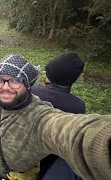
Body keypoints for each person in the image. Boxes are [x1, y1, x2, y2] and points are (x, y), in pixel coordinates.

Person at [30, 52, 85, 180]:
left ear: (52, 76)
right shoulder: (78, 106)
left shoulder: (32, 91)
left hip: (24, 154)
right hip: (52, 161)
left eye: (47, 72)